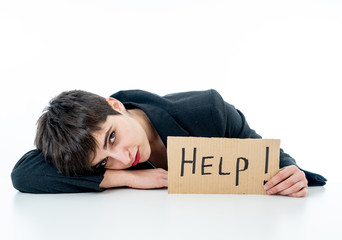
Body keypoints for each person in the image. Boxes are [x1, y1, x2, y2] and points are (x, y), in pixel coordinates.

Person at [11, 89, 326, 196]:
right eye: (106, 161)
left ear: (116, 105)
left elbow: (264, 153)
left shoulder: (209, 112)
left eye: (112, 137)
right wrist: (126, 178)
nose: (123, 156)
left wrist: (291, 170)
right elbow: (23, 173)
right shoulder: (98, 155)